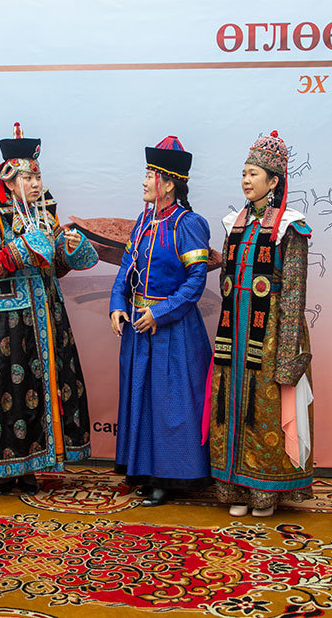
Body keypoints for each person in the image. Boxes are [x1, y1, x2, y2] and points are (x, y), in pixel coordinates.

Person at [0, 122, 98, 494]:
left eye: (38, 176)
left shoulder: (44, 210)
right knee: (10, 390)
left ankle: (36, 464)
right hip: (10, 316)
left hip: (48, 310)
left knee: (44, 387)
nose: (36, 183)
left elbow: (53, 265)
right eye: (28, 177)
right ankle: (7, 468)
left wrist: (68, 250)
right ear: (9, 179)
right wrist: (21, 249)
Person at [208, 131, 314, 518]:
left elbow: (294, 291)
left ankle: (264, 490)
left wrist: (287, 354)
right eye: (243, 173)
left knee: (264, 405)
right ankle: (234, 486)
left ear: (273, 181)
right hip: (233, 330)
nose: (246, 180)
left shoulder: (291, 227)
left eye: (253, 174)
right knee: (229, 403)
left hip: (270, 333)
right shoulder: (234, 223)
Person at [110, 136, 212, 507]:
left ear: (168, 184)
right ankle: (145, 471)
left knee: (169, 404)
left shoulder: (188, 224)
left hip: (173, 330)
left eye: (149, 175)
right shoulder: (143, 221)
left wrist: (160, 312)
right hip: (139, 328)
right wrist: (117, 303)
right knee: (141, 399)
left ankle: (170, 476)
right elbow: (126, 267)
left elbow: (196, 280)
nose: (143, 181)